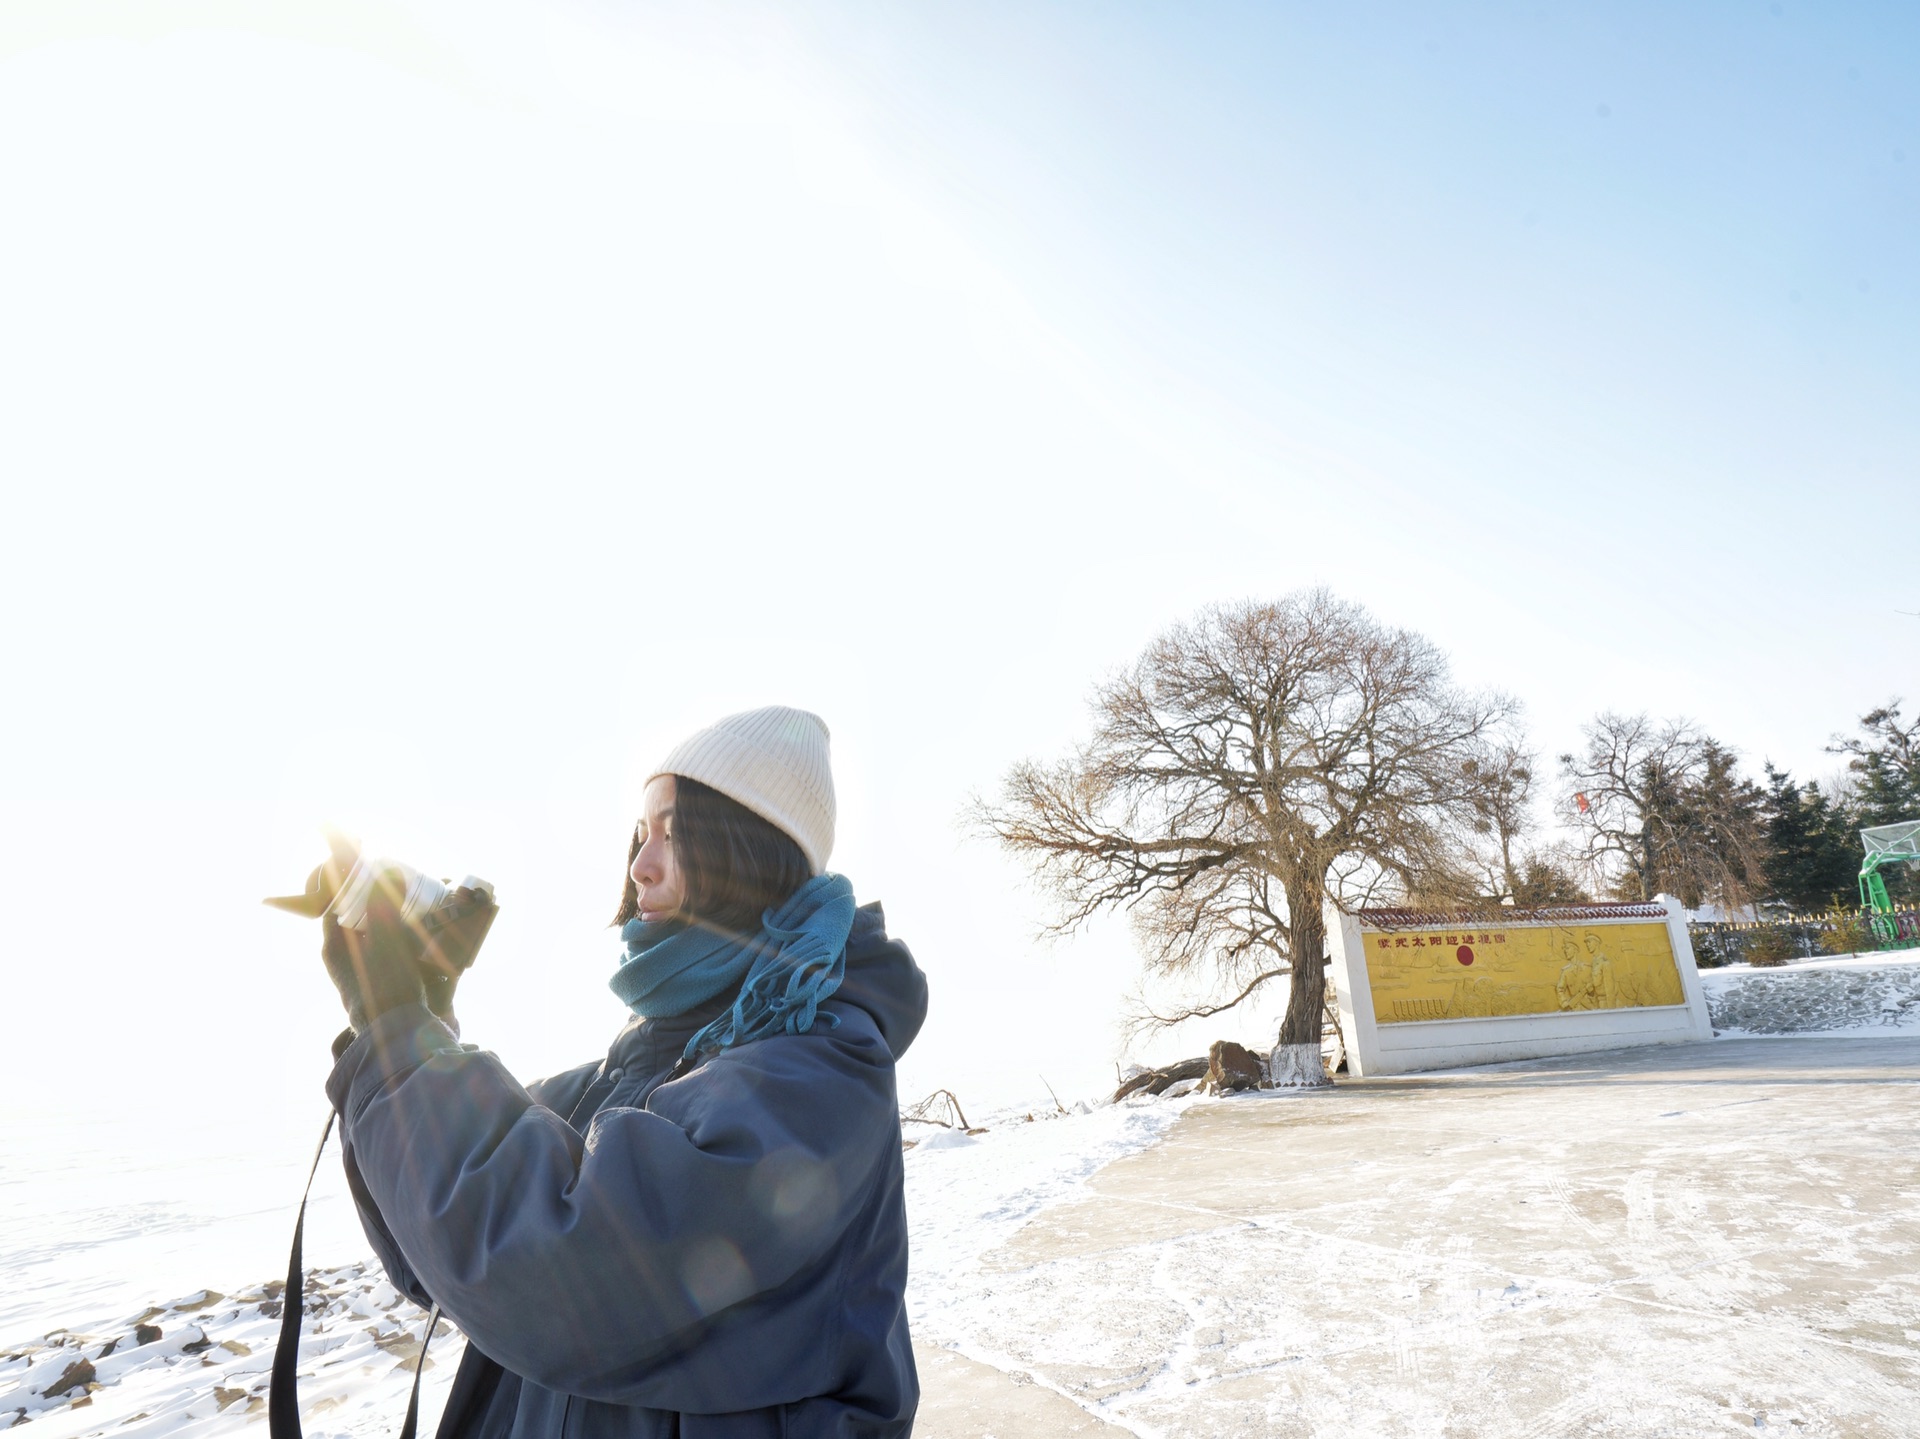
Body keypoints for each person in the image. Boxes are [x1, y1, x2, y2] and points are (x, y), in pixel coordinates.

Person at [319, 706, 929, 1438]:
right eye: (641, 833)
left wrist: (399, 1034)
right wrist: (420, 1016)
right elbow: (445, 1253)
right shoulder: (646, 1057)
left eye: (676, 832)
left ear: (751, 849)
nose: (641, 864)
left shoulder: (818, 1074)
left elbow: (553, 1268)